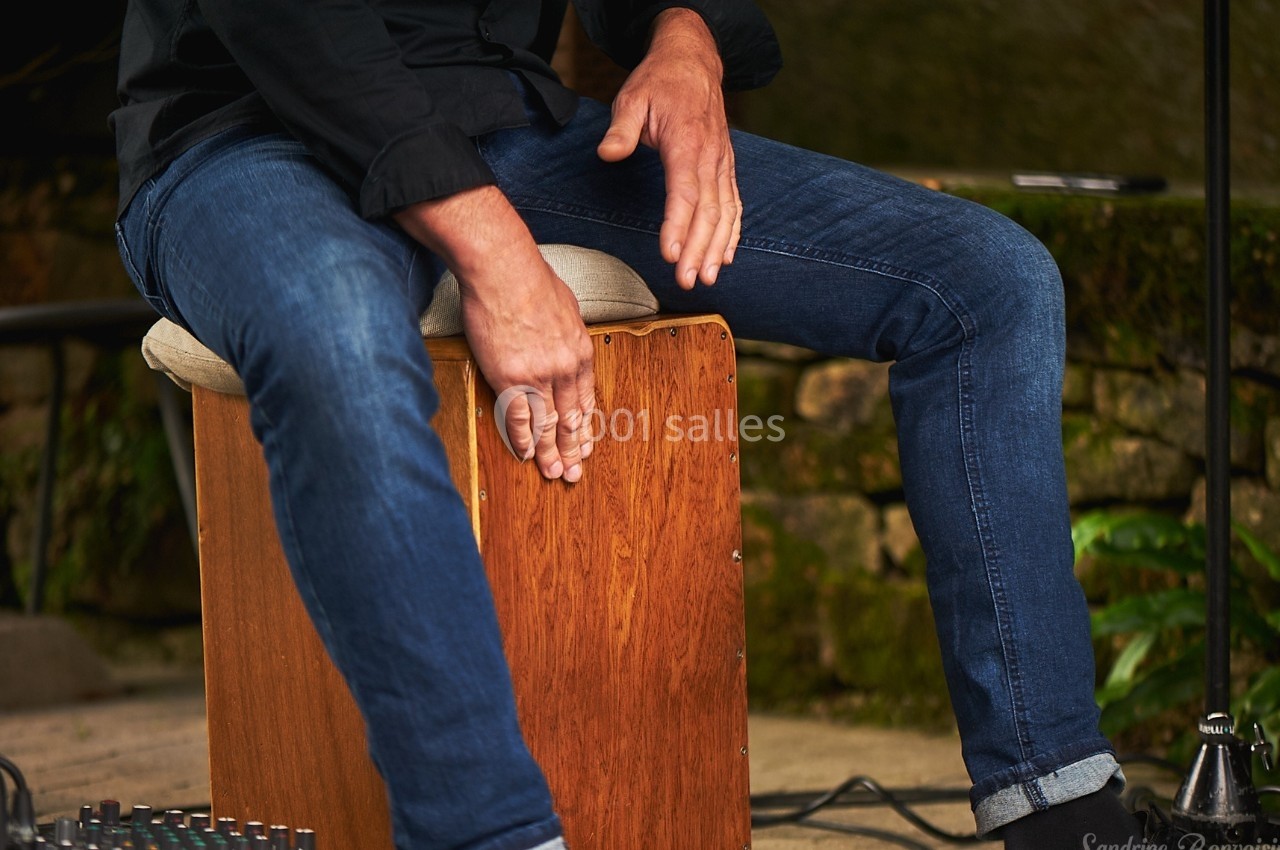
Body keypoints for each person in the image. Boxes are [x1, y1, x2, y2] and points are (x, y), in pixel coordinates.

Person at [108, 1, 1146, 848]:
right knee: (335, 332)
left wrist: (685, 42)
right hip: (242, 142)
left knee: (985, 280)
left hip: (505, 126)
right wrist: (497, 257)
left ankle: (1057, 804)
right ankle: (488, 834)